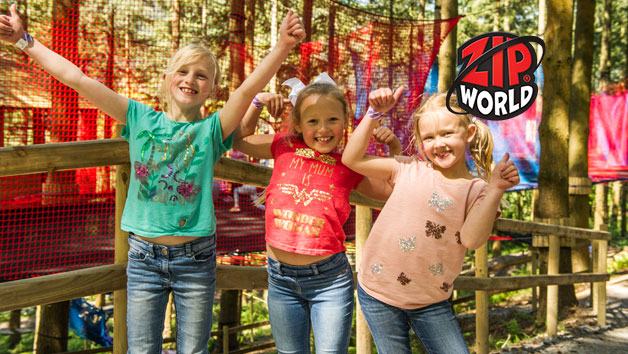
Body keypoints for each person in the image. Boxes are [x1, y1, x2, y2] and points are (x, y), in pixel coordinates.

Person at [0, 4, 306, 353]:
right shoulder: (138, 116)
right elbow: (78, 79)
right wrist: (25, 40)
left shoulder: (212, 130)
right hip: (144, 258)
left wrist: (282, 46)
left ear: (213, 90)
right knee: (142, 349)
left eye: (201, 76)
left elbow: (246, 90)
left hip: (195, 259)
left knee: (194, 350)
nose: (190, 79)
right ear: (167, 78)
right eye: (183, 71)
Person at [342, 88, 520, 354]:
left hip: (431, 300)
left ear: (469, 133)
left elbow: (472, 239)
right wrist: (374, 114)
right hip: (377, 291)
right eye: (429, 137)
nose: (438, 143)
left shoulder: (478, 190)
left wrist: (496, 189)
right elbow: (351, 159)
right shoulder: (408, 168)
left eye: (447, 133)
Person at [233, 73, 401, 354]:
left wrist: (393, 148)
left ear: (345, 122)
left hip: (330, 281)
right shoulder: (283, 144)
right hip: (280, 279)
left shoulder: (349, 163)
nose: (323, 129)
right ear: (298, 124)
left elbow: (393, 190)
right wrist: (257, 102)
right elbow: (241, 140)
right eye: (312, 121)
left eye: (332, 119)